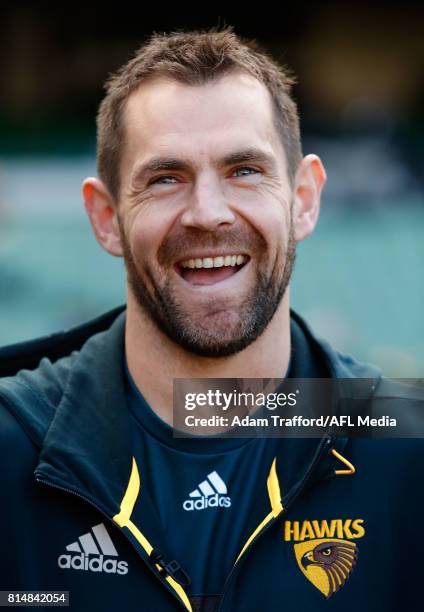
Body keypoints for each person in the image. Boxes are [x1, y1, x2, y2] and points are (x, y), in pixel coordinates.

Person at [0, 27, 422, 612]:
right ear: (105, 217)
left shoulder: (407, 452)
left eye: (245, 170)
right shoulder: (10, 449)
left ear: (303, 198)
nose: (208, 213)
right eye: (166, 178)